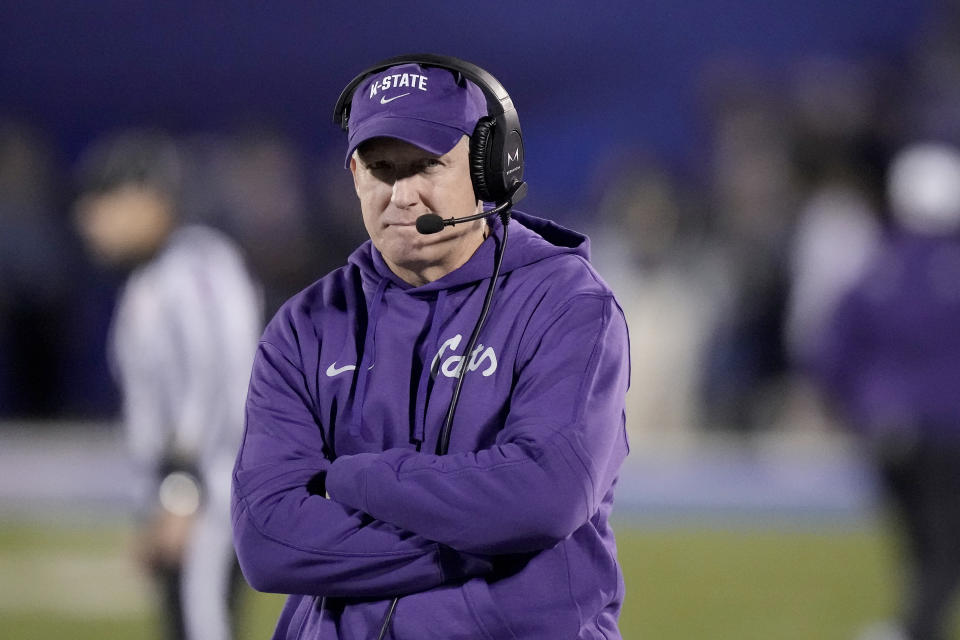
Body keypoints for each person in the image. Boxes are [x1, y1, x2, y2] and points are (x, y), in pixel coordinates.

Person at [231, 55, 631, 639]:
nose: (402, 194)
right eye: (382, 168)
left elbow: (547, 494)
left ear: (486, 168)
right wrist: (488, 545)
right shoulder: (304, 327)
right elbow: (268, 542)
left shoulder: (567, 304)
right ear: (354, 176)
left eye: (426, 165)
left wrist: (352, 479)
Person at [73, 129, 263, 640]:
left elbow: (213, 383)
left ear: (146, 195)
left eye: (102, 201)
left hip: (208, 493)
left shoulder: (195, 267)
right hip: (187, 492)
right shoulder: (156, 275)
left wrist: (180, 495)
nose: (87, 219)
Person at [810, 142, 960, 640]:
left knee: (919, 543)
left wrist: (854, 406)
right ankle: (912, 630)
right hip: (947, 430)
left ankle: (910, 625)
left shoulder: (878, 268)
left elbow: (831, 350)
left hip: (886, 429)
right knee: (944, 547)